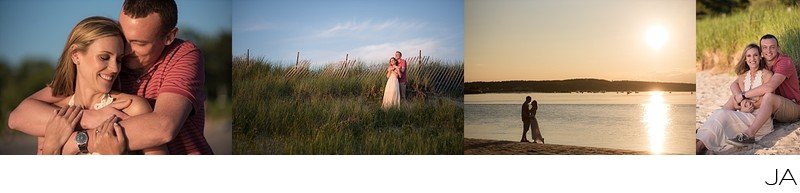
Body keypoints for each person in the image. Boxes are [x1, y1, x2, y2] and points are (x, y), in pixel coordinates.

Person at [8, 0, 213, 154]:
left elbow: (163, 127)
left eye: (139, 43)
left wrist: (78, 141)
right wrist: (89, 118)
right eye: (124, 38)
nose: (126, 50)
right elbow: (19, 115)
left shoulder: (183, 55)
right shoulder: (112, 60)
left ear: (169, 36)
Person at [9, 16, 166, 154]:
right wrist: (51, 148)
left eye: (119, 60)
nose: (115, 68)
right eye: (104, 57)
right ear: (76, 55)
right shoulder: (54, 114)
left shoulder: (131, 108)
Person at [696, 43, 773, 154]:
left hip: (760, 121)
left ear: (760, 56)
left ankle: (699, 145)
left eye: (755, 55)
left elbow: (768, 100)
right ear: (745, 59)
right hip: (745, 116)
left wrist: (750, 106)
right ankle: (701, 144)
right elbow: (735, 92)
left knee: (722, 114)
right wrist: (742, 103)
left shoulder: (767, 75)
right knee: (720, 113)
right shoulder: (743, 77)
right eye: (749, 56)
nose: (752, 59)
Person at [728, 34, 800, 146]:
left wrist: (743, 95)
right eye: (765, 47)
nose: (768, 51)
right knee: (732, 98)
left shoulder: (784, 62)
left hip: (793, 107)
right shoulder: (762, 63)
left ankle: (749, 135)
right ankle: (714, 125)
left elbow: (769, 87)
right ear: (761, 50)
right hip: (773, 109)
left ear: (778, 48)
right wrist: (742, 100)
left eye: (772, 47)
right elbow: (734, 84)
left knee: (769, 96)